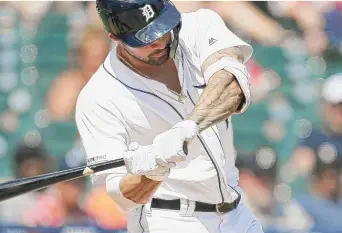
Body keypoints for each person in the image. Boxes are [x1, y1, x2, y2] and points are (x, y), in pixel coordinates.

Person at [75, 1, 261, 232]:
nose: (160, 40)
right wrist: (155, 168)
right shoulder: (98, 98)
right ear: (115, 38)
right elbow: (121, 195)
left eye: (162, 26)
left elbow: (232, 88)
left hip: (236, 213)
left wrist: (186, 129)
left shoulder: (199, 26)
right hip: (170, 219)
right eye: (145, 38)